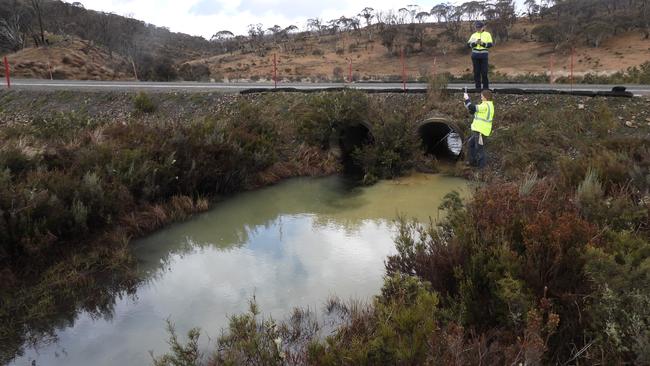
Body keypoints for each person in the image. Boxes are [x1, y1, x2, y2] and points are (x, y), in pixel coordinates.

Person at [464, 89, 495, 168]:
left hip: (481, 131)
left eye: (482, 96)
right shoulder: (485, 104)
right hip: (479, 130)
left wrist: (467, 99)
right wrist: (467, 104)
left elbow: (472, 107)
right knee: (470, 143)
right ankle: (472, 162)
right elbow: (473, 110)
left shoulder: (486, 106)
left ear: (485, 97)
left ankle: (481, 168)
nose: (481, 97)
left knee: (480, 148)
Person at [467, 21, 494, 90]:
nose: (478, 29)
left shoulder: (487, 34)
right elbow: (468, 45)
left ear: (483, 27)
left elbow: (490, 44)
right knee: (476, 72)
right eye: (477, 27)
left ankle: (486, 88)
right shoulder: (473, 35)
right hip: (475, 56)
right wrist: (475, 43)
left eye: (479, 27)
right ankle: (477, 88)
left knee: (484, 72)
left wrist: (483, 44)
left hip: (484, 56)